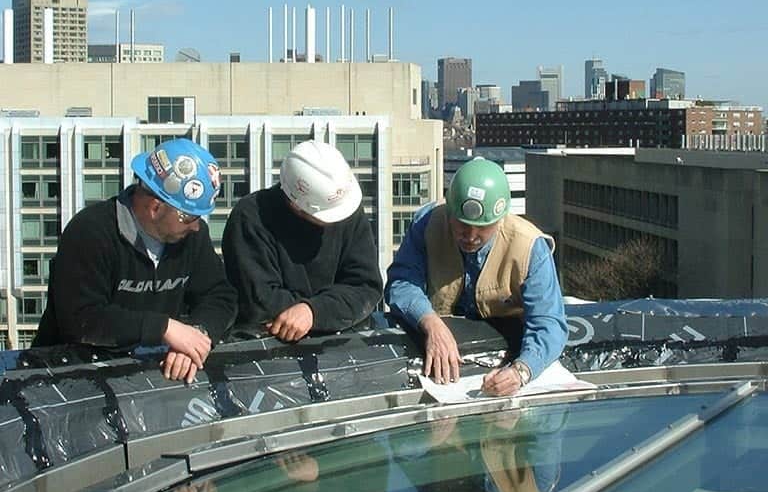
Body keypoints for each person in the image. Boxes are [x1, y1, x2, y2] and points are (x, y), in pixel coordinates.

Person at [33, 138, 238, 383]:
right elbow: (82, 320)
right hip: (68, 380)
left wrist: (196, 337)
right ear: (155, 208)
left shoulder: (192, 238)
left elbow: (220, 296)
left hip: (148, 381)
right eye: (189, 217)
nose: (196, 227)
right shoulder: (91, 233)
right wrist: (164, 329)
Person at [385, 156, 567, 394]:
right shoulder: (428, 224)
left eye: (482, 227)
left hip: (507, 342)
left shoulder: (530, 247)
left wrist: (522, 370)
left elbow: (549, 322)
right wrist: (429, 321)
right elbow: (402, 282)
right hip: (439, 337)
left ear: (500, 219)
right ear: (449, 211)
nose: (470, 236)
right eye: (461, 225)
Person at [222, 139, 382, 341]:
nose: (336, 220)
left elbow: (366, 287)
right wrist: (327, 308)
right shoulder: (251, 218)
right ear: (296, 205)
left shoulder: (346, 206)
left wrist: (313, 311)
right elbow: (260, 302)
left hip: (340, 344)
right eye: (327, 216)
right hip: (268, 346)